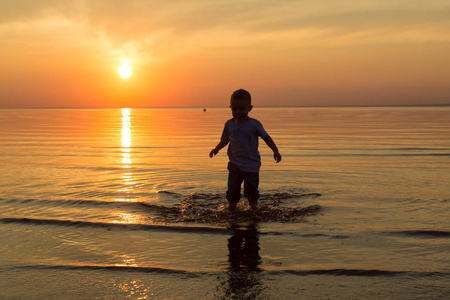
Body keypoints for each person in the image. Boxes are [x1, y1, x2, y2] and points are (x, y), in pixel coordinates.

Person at [209, 89, 282, 210]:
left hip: (252, 166)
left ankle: (254, 209)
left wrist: (275, 151)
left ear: (250, 108)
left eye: (242, 108)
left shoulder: (254, 124)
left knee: (252, 192)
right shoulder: (229, 124)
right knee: (232, 192)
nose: (238, 112)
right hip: (235, 165)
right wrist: (216, 149)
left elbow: (266, 138)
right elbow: (225, 140)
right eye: (234, 108)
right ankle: (232, 209)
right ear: (230, 107)